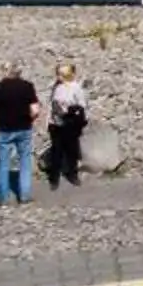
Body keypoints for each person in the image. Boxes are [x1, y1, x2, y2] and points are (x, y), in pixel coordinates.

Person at [0, 64, 41, 206]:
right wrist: (30, 119)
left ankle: (3, 199)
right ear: (19, 72)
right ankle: (25, 196)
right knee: (25, 161)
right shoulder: (27, 86)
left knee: (3, 163)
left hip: (4, 129)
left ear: (5, 72)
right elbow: (35, 110)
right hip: (23, 128)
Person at [43, 62, 89, 190]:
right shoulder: (56, 87)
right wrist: (48, 121)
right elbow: (51, 105)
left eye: (60, 74)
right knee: (56, 151)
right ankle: (54, 178)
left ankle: (73, 174)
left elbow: (82, 105)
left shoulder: (75, 87)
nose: (58, 77)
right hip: (56, 123)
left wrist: (73, 112)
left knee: (71, 150)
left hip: (70, 124)